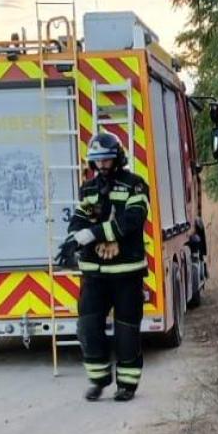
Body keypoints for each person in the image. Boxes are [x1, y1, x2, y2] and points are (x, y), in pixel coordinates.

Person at [56, 132, 150, 402]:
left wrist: (94, 233)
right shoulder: (88, 189)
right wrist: (74, 239)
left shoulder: (136, 186)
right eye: (98, 162)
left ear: (117, 158)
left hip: (127, 273)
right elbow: (77, 221)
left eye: (107, 160)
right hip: (94, 275)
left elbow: (131, 221)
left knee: (127, 331)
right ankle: (98, 380)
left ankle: (127, 385)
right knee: (87, 327)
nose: (102, 166)